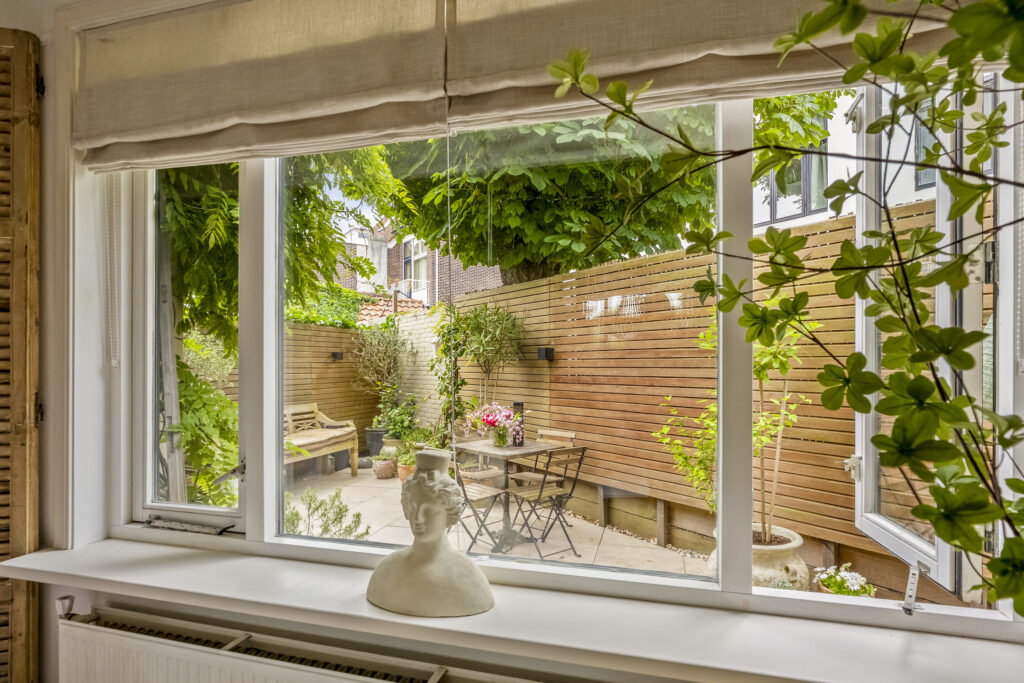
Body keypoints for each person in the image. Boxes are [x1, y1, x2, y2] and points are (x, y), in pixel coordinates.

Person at [366, 448, 494, 616]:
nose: (418, 518)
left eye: (430, 511)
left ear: (450, 513)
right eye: (413, 507)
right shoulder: (386, 572)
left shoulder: (469, 579)